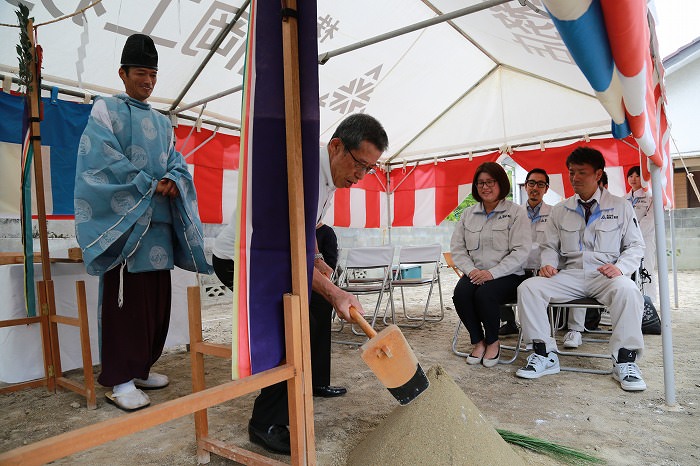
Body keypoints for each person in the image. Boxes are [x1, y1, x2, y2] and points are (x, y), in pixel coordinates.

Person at [74, 34, 211, 411]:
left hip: (157, 232)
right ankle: (119, 382)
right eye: (140, 73)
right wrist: (146, 184)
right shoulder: (105, 110)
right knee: (124, 309)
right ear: (122, 73)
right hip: (123, 227)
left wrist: (173, 179)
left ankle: (141, 368)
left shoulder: (164, 123)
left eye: (152, 74)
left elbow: (177, 162)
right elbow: (98, 162)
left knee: (153, 304)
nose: (147, 81)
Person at [247, 113, 389, 454]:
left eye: (370, 169)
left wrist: (316, 259)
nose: (361, 175)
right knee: (294, 321)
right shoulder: (300, 173)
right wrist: (334, 289)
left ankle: (314, 381)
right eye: (359, 164)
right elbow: (281, 254)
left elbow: (308, 227)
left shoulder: (331, 178)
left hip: (278, 256)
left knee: (318, 306)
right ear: (336, 146)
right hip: (245, 259)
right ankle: (265, 423)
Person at [515, 147, 646, 391]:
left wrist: (620, 268)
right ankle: (544, 354)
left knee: (628, 290)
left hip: (605, 274)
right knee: (529, 288)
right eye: (571, 172)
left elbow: (636, 246)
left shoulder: (621, 207)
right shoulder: (560, 209)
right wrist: (549, 265)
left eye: (581, 173)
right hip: (571, 274)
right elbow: (549, 246)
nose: (574, 178)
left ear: (598, 175)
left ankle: (625, 360)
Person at [450, 162, 531, 368]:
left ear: (501, 183)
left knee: (485, 294)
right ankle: (478, 341)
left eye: (490, 182)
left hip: (509, 275)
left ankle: (493, 342)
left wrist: (492, 273)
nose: (485, 187)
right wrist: (472, 271)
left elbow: (521, 251)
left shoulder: (516, 212)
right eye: (480, 183)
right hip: (476, 273)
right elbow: (458, 249)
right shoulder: (468, 214)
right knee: (461, 293)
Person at [499, 168, 551, 336]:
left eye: (540, 184)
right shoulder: (512, 213)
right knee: (495, 279)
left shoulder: (554, 213)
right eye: (531, 183)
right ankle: (509, 322)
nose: (535, 188)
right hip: (518, 268)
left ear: (546, 189)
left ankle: (540, 329)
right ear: (525, 186)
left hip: (542, 270)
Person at [626, 166, 657, 304]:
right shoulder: (623, 200)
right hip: (626, 243)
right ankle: (631, 302)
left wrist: (633, 232)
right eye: (630, 176)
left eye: (637, 176)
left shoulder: (650, 198)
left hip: (644, 241)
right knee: (628, 271)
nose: (633, 179)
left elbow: (650, 220)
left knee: (646, 271)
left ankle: (648, 303)